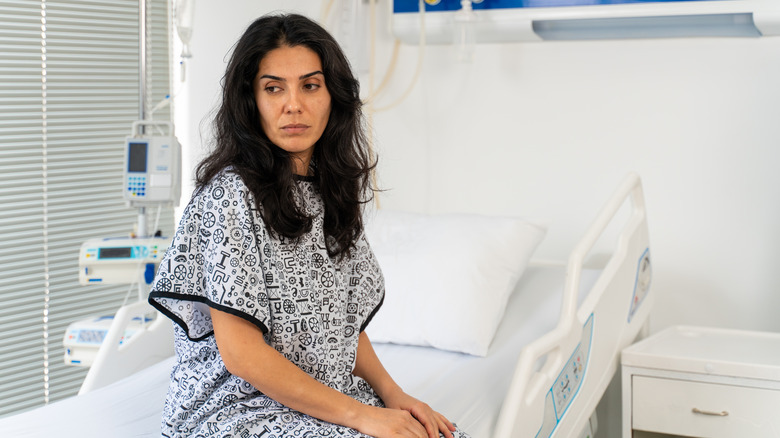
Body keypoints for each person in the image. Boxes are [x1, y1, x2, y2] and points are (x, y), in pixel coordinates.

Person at [148, 13, 470, 438]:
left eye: (310, 85)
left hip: (323, 395)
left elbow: (341, 325)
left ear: (332, 95)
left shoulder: (329, 193)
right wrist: (362, 416)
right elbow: (241, 355)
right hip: (235, 406)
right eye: (273, 88)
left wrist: (394, 395)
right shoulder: (230, 196)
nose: (293, 104)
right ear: (251, 101)